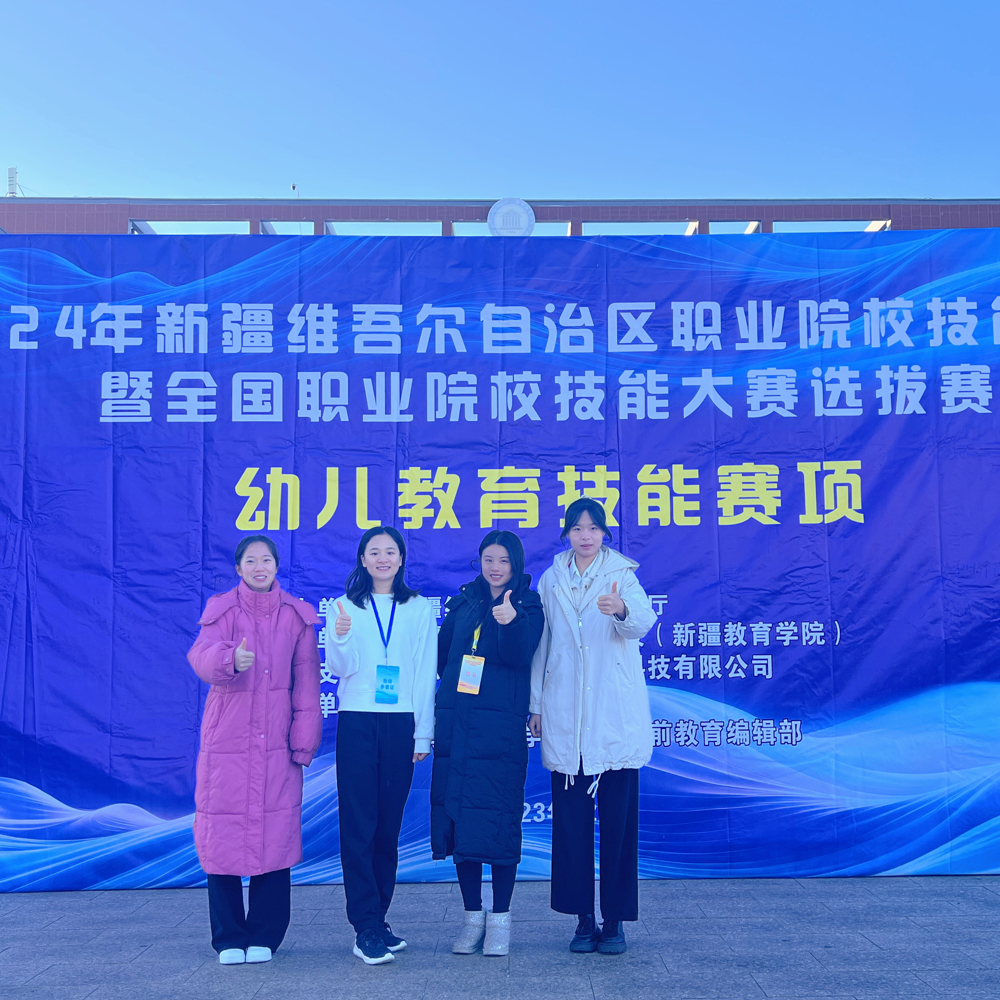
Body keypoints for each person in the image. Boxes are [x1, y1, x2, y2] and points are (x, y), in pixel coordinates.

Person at [529, 498, 656, 956]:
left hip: (612, 719)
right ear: (566, 533)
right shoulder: (551, 579)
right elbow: (542, 645)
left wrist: (621, 609)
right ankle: (582, 919)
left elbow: (642, 624)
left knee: (618, 829)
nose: (586, 536)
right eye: (578, 528)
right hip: (566, 715)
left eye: (594, 528)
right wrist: (536, 704)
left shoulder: (622, 574)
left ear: (604, 532)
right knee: (571, 828)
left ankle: (615, 921)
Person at [187, 535, 322, 966]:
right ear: (238, 568)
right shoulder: (223, 609)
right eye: (251, 560)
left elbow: (307, 684)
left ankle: (265, 932)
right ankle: (228, 935)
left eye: (266, 559)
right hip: (227, 744)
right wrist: (229, 659)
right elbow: (200, 656)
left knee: (275, 835)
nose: (259, 566)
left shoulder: (296, 616)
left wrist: (304, 740)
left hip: (276, 744)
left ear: (277, 566)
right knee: (222, 836)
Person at [325, 526, 437, 965]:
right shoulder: (345, 605)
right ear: (363, 559)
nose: (383, 558)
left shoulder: (418, 608)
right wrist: (339, 636)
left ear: (401, 559)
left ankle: (379, 919)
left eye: (391, 551)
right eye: (375, 552)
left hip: (400, 722)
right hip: (357, 719)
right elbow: (340, 668)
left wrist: (422, 732)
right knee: (359, 825)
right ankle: (364, 926)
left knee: (387, 827)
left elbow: (425, 671)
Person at [432, 530, 544, 957]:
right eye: (488, 559)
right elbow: (443, 658)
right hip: (459, 726)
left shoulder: (528, 605)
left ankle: (500, 920)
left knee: (498, 823)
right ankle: (471, 918)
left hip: (500, 733)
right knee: (460, 821)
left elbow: (521, 655)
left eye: (503, 560)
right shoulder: (463, 603)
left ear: (516, 564)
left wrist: (510, 622)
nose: (495, 568)